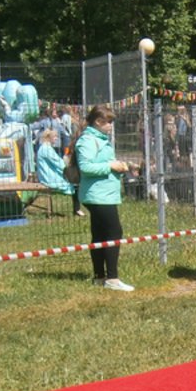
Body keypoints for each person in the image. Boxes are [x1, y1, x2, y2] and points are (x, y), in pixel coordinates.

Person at [75, 105, 135, 291]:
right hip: (98, 195)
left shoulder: (99, 139)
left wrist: (120, 166)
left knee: (100, 235)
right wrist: (111, 166)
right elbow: (86, 167)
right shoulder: (87, 140)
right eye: (109, 122)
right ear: (98, 122)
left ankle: (99, 277)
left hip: (104, 194)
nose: (111, 126)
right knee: (114, 233)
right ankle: (112, 278)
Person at [35, 128, 77, 212]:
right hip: (49, 178)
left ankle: (77, 209)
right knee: (75, 184)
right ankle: (77, 209)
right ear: (49, 137)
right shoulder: (46, 149)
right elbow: (58, 163)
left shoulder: (44, 148)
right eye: (55, 137)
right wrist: (69, 167)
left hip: (47, 175)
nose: (56, 138)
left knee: (74, 182)